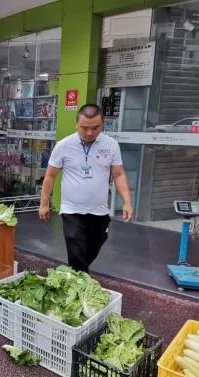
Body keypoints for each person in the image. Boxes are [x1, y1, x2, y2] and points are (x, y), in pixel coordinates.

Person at [39, 104, 133, 273]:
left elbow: (118, 174)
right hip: (72, 209)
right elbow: (50, 175)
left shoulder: (111, 145)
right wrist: (44, 203)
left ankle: (75, 275)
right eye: (84, 128)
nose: (89, 133)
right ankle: (80, 283)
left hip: (99, 210)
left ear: (102, 124)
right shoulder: (64, 145)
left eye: (95, 128)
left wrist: (127, 202)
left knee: (95, 244)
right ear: (77, 124)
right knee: (75, 243)